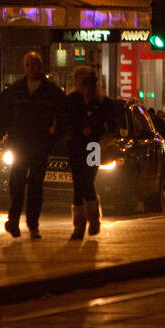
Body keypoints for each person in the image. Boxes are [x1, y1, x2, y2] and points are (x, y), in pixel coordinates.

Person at [0, 52, 65, 238]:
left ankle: (33, 225)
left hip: (40, 144)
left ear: (41, 67)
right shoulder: (15, 91)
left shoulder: (51, 92)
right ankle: (14, 220)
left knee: (35, 186)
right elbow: (1, 114)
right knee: (16, 182)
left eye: (36, 65)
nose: (33, 69)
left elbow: (64, 114)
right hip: (20, 143)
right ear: (25, 67)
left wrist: (54, 136)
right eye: (29, 65)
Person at [59, 65, 118, 239]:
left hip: (94, 146)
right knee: (78, 182)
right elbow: (65, 121)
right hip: (76, 146)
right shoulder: (71, 101)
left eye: (89, 82)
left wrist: (96, 128)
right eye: (82, 82)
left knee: (88, 180)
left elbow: (111, 124)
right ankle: (80, 223)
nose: (85, 86)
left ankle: (92, 217)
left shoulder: (102, 102)